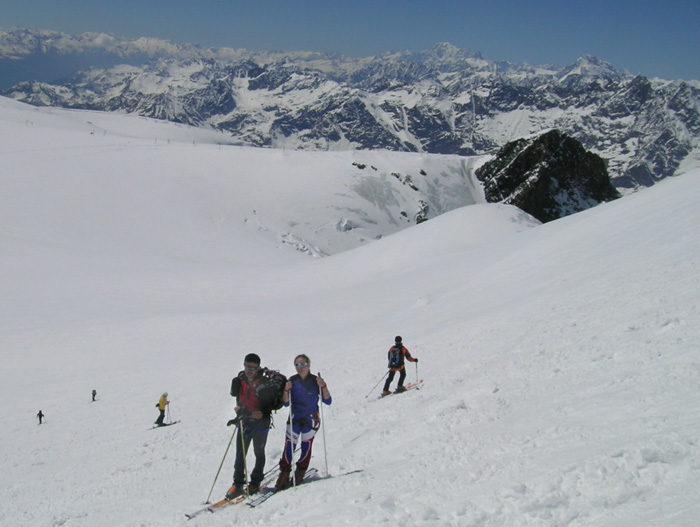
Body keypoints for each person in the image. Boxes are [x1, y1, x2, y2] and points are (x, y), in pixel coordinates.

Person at [275, 354, 332, 490]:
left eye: (302, 365)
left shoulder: (315, 380)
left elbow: (328, 401)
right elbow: (285, 403)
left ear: (308, 365)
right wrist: (286, 390)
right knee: (289, 446)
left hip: (311, 419)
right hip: (295, 417)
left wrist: (323, 386)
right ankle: (284, 473)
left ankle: (300, 471)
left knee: (306, 447)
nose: (300, 368)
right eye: (297, 365)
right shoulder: (292, 381)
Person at [226, 353, 274, 498]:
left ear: (258, 367)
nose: (249, 370)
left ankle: (255, 481)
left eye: (252, 368)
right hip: (245, 422)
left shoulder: (264, 383)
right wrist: (239, 410)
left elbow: (263, 413)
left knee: (258, 452)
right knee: (240, 453)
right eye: (247, 366)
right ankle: (238, 483)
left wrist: (246, 414)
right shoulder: (240, 380)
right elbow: (239, 399)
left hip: (261, 423)